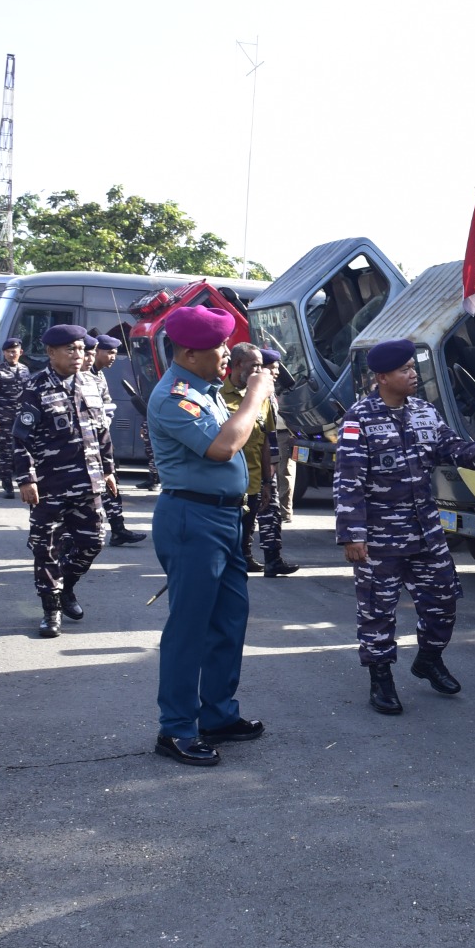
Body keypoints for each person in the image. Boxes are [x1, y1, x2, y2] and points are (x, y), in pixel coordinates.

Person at [334, 338, 475, 715]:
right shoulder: (359, 419)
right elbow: (349, 481)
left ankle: (428, 659)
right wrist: (352, 535)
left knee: (443, 600)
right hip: (380, 538)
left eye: (414, 368)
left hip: (426, 532)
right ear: (382, 377)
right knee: (377, 610)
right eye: (405, 370)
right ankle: (381, 679)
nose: (414, 375)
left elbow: (453, 449)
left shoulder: (424, 411)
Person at [147, 305, 273, 766]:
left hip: (224, 519)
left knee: (228, 621)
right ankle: (177, 728)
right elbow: (222, 447)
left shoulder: (205, 390)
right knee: (190, 628)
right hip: (192, 519)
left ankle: (218, 714)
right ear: (188, 354)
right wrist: (255, 395)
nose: (225, 353)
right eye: (218, 346)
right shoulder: (173, 396)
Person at [9, 325, 117, 639]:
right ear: (51, 352)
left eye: (81, 349)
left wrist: (108, 470)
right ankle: (51, 610)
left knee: (93, 542)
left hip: (88, 483)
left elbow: (102, 432)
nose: (77, 355)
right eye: (70, 349)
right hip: (50, 487)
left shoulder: (91, 383)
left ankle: (65, 585)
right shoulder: (35, 387)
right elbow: (21, 438)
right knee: (46, 549)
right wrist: (26, 479)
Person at [220, 342, 276, 573]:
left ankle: (245, 555)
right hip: (226, 480)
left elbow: (266, 441)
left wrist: (267, 481)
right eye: (254, 366)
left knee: (248, 524)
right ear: (237, 365)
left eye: (261, 366)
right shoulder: (218, 395)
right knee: (226, 528)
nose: (259, 371)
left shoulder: (262, 398)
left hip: (252, 479)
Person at [89, 333, 145, 546]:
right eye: (110, 352)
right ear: (97, 352)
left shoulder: (99, 375)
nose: (114, 357)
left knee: (110, 484)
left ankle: (118, 529)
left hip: (100, 441)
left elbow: (106, 405)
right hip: (88, 443)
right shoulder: (85, 376)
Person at [255, 347, 299, 576]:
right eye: (272, 368)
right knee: (250, 513)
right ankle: (244, 556)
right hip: (253, 463)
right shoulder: (252, 393)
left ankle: (273, 560)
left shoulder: (270, 392)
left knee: (271, 512)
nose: (276, 373)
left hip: (269, 460)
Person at [0, 337, 31, 498]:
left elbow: (29, 394)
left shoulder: (25, 370)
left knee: (23, 451)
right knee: (5, 452)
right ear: (4, 353)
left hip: (22, 418)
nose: (11, 354)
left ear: (21, 352)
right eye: (8, 352)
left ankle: (23, 482)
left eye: (14, 351)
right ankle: (6, 483)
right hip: (4, 418)